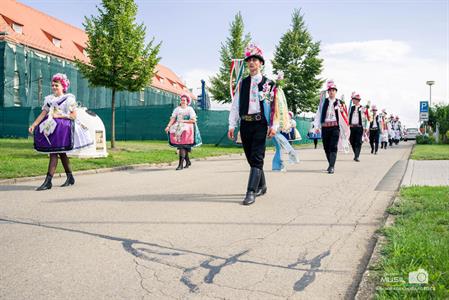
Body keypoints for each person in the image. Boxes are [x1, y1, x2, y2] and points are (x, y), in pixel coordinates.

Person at [228, 42, 277, 205]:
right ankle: (262, 184)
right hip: (245, 124)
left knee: (257, 157)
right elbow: (235, 105)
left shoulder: (268, 84)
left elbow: (274, 106)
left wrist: (273, 126)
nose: (251, 63)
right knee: (251, 158)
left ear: (261, 63)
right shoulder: (242, 83)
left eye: (255, 60)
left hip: (261, 124)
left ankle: (251, 191)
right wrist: (232, 125)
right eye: (249, 60)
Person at [29, 73, 93, 191]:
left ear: (63, 86)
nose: (54, 87)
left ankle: (48, 182)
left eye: (56, 85)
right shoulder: (49, 99)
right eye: (52, 85)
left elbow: (73, 116)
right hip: (52, 130)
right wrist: (34, 124)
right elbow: (43, 113)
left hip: (63, 130)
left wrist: (59, 115)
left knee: (54, 153)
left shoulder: (69, 99)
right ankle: (70, 177)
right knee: (61, 153)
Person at [313, 80, 348, 174]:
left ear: (336, 92)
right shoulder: (323, 102)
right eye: (330, 90)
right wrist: (316, 126)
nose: (332, 92)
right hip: (325, 127)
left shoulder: (340, 103)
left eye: (333, 90)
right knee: (326, 147)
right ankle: (330, 163)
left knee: (333, 146)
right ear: (328, 92)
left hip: (335, 127)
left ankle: (332, 166)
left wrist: (341, 111)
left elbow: (345, 116)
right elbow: (318, 114)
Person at [165, 94, 202, 170]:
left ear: (187, 101)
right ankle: (187, 162)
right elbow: (173, 118)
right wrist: (168, 126)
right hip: (178, 128)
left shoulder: (190, 109)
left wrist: (183, 121)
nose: (182, 101)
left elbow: (193, 120)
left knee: (182, 146)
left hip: (187, 129)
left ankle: (180, 165)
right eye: (181, 100)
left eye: (184, 100)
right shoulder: (177, 109)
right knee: (183, 146)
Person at [348, 92, 368, 161]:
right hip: (352, 127)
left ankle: (357, 156)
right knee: (352, 141)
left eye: (354, 99)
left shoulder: (362, 108)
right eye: (353, 99)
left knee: (358, 142)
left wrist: (365, 128)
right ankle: (356, 154)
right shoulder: (351, 108)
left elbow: (365, 118)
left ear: (357, 100)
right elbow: (348, 116)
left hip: (359, 127)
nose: (353, 100)